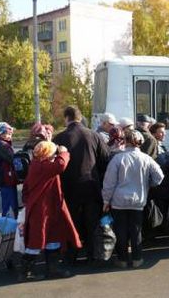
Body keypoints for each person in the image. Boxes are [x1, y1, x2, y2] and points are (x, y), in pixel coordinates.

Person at [54, 105, 109, 262]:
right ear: (80, 118)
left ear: (67, 118)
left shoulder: (59, 138)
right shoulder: (94, 135)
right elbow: (105, 159)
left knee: (72, 222)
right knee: (92, 221)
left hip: (69, 188)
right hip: (91, 186)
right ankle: (92, 254)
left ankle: (71, 256)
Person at [102, 129, 164, 268]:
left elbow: (109, 182)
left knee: (120, 231)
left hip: (119, 201)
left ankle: (122, 259)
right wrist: (149, 184)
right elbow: (159, 177)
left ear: (125, 141)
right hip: (138, 200)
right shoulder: (146, 158)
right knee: (136, 230)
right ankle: (137, 259)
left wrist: (106, 201)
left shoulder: (117, 159)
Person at [20, 141, 81, 280]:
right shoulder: (43, 166)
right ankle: (25, 272)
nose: (55, 155)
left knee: (52, 238)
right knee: (37, 240)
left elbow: (25, 189)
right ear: (47, 154)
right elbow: (61, 165)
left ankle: (51, 270)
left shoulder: (36, 165)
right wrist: (64, 152)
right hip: (42, 209)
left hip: (46, 207)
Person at [0, 122, 18, 218]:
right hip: (6, 178)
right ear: (2, 133)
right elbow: (12, 159)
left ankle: (6, 228)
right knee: (10, 206)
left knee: (6, 203)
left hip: (1, 178)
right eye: (9, 133)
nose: (11, 135)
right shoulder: (3, 145)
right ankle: (9, 229)